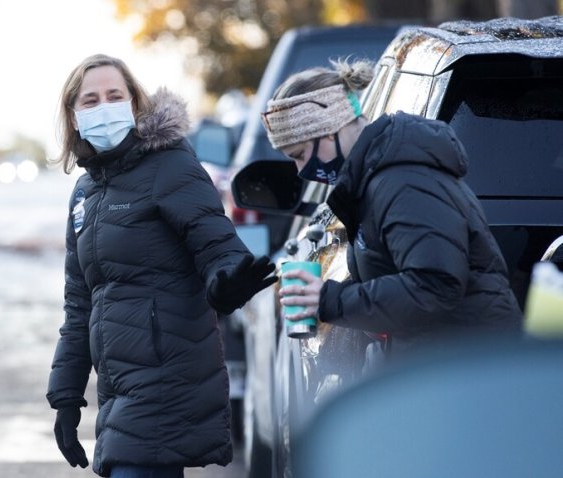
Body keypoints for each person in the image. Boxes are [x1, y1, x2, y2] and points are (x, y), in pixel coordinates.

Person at [46, 53, 278, 478]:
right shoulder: (84, 194)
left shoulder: (171, 167)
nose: (104, 108)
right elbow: (79, 305)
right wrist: (65, 397)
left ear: (135, 104)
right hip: (120, 389)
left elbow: (216, 243)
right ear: (74, 118)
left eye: (115, 96)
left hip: (167, 379)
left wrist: (228, 281)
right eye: (91, 101)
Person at [262, 58, 523, 358]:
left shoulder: (404, 183)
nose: (300, 170)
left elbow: (434, 285)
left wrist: (330, 300)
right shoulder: (374, 181)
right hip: (442, 363)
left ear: (329, 129)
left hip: (470, 367)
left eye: (299, 154)